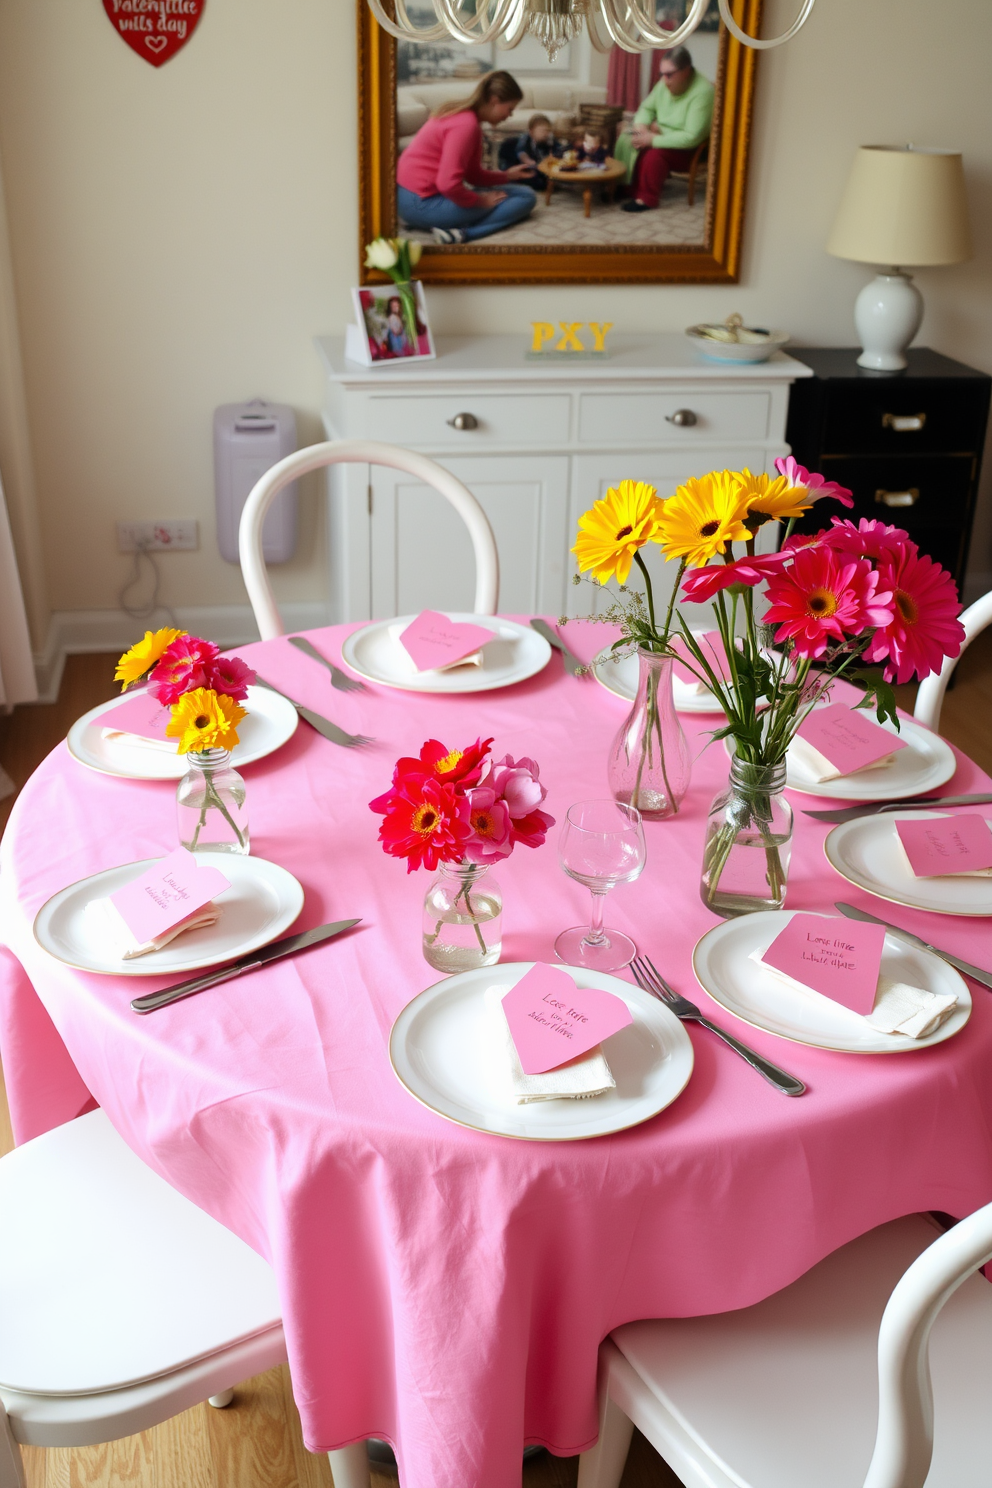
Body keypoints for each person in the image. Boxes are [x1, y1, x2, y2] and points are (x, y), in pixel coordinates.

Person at [396, 71, 537, 244]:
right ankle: (462, 234)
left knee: (523, 192)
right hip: (420, 204)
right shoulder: (466, 125)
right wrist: (480, 201)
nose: (510, 115)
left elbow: (473, 176)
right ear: (494, 100)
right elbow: (447, 184)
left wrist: (507, 175)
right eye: (510, 109)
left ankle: (450, 227)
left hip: (409, 198)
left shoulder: (466, 119)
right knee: (525, 199)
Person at [613, 46, 714, 212]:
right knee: (626, 140)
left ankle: (647, 198)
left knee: (653, 155)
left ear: (686, 71)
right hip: (660, 135)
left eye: (669, 74)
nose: (664, 80)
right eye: (662, 74)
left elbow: (692, 136)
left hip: (689, 149)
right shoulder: (663, 84)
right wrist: (640, 128)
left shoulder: (703, 92)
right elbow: (646, 108)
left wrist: (652, 139)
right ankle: (625, 188)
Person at [498, 112, 558, 189]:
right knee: (534, 180)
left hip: (536, 165)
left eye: (548, 131)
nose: (546, 134)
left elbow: (557, 148)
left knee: (545, 179)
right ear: (531, 132)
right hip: (516, 162)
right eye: (543, 131)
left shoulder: (548, 140)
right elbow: (521, 153)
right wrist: (529, 162)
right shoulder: (524, 140)